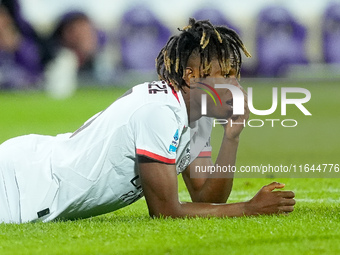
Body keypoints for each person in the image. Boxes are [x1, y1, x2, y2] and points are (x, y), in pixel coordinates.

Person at [0, 18, 295, 223]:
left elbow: (207, 195)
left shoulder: (197, 117)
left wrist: (231, 138)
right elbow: (165, 211)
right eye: (226, 76)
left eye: (236, 76)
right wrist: (248, 208)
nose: (236, 87)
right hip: (22, 183)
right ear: (192, 77)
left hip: (33, 178)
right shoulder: (160, 111)